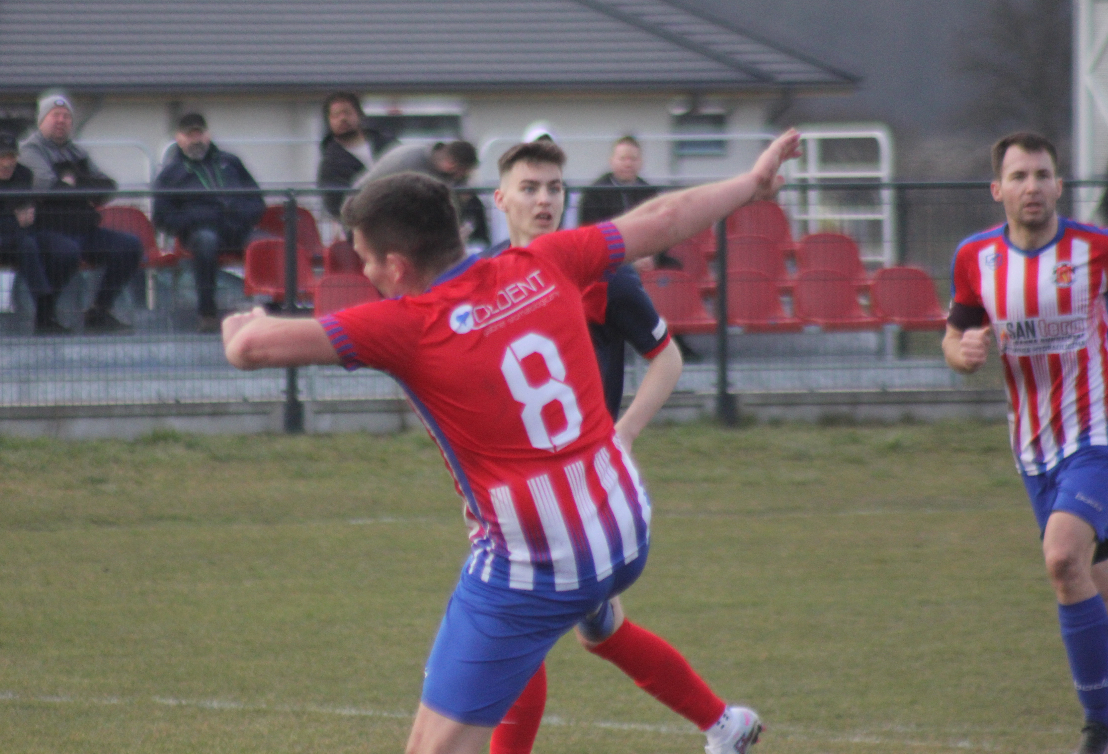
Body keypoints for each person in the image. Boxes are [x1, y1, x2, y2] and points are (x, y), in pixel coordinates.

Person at [222, 128, 802, 754]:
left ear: (397, 266)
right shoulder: (549, 260)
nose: (364, 272)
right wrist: (751, 184)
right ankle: (723, 724)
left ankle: (718, 722)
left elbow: (249, 349)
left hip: (539, 556)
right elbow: (663, 218)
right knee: (586, 635)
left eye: (365, 260)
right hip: (621, 524)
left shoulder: (406, 324)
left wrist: (245, 323)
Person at [484, 140, 709, 754]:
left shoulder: (601, 273)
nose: (544, 200)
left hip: (582, 489)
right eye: (530, 187)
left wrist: (623, 434)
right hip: (516, 488)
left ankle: (724, 724)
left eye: (554, 188)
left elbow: (667, 358)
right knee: (598, 631)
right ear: (500, 199)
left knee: (515, 635)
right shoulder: (484, 279)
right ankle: (725, 724)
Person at [943, 131, 1108, 754]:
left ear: (1059, 185)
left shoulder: (1096, 249)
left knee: (1063, 561)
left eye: (1042, 175)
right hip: (1034, 451)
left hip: (1097, 437)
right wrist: (963, 352)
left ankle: (1098, 728)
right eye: (1019, 176)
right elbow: (955, 335)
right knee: (1093, 585)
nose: (1031, 187)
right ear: (997, 189)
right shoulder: (975, 258)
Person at [19, 91, 143, 333]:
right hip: (47, 230)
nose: (61, 120)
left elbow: (107, 187)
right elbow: (48, 187)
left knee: (129, 246)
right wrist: (80, 186)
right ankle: (45, 316)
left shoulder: (77, 152)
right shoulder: (29, 150)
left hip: (84, 229)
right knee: (67, 253)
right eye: (55, 115)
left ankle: (99, 311)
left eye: (66, 116)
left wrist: (72, 181)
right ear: (41, 119)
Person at [153, 113, 266, 332]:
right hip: (199, 233)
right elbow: (162, 217)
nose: (196, 140)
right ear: (178, 138)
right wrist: (193, 220)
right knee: (206, 241)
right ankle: (207, 313)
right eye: (190, 135)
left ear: (208, 135)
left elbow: (256, 199)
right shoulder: (171, 174)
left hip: (238, 229)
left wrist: (243, 216)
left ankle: (275, 307)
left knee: (269, 243)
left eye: (199, 134)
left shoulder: (231, 162)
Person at [0, 133, 77, 333]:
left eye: (11, 156)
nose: (7, 163)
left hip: (10, 236)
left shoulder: (23, 175)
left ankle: (45, 312)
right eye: (1, 156)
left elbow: (23, 222)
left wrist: (6, 223)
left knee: (32, 245)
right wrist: (11, 221)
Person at [358, 139, 488, 244]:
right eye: (463, 173)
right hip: (368, 219)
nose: (463, 179)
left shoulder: (432, 161)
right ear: (450, 164)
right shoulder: (411, 165)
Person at [315, 92, 394, 220]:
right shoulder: (330, 165)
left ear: (359, 115)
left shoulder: (387, 144)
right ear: (329, 121)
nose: (343, 118)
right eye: (336, 115)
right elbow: (334, 204)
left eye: (347, 112)